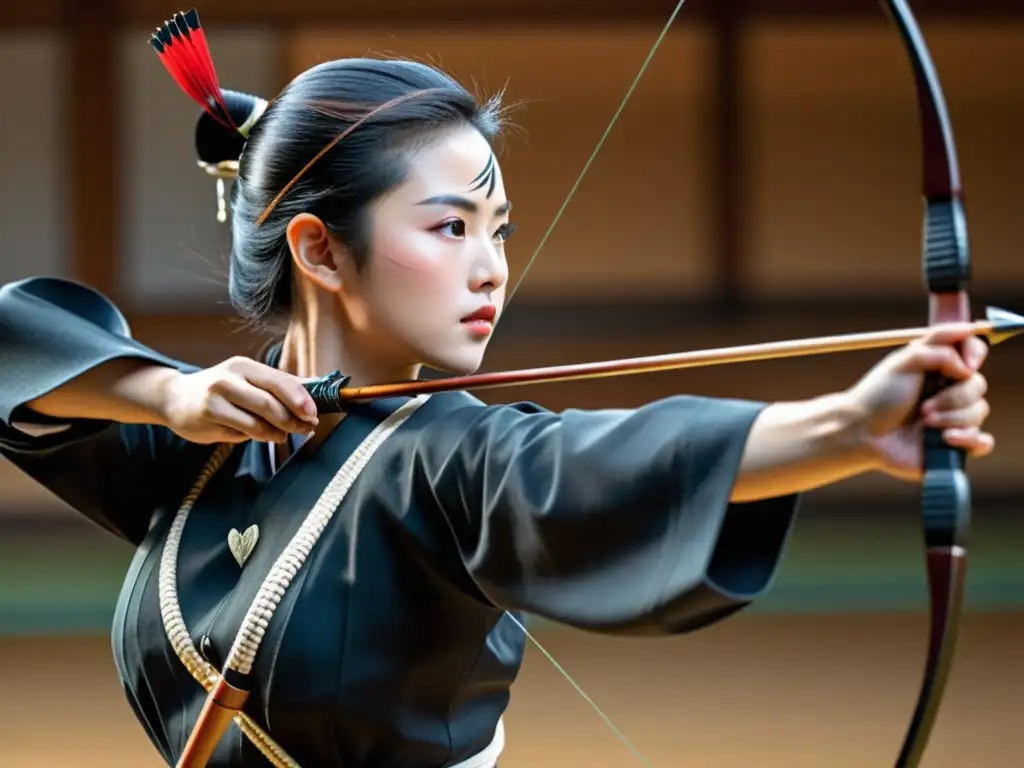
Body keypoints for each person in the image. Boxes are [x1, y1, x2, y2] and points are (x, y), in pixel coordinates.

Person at [0, 11, 994, 768]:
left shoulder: (450, 458)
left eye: (498, 230)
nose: (489, 268)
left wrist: (852, 422)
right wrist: (166, 397)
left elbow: (600, 461)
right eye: (449, 226)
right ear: (320, 251)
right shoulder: (196, 451)